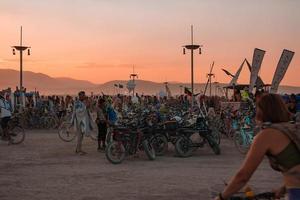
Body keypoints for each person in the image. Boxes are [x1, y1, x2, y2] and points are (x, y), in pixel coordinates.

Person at [215, 93, 300, 200]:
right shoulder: (292, 128)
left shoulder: (266, 135)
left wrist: (221, 197)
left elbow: (243, 176)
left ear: (262, 111)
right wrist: (283, 188)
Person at [71, 91, 92, 155]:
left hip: (82, 121)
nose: (84, 96)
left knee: (81, 136)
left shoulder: (83, 102)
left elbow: (88, 107)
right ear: (79, 96)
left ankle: (78, 149)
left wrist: (88, 101)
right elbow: (78, 112)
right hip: (79, 121)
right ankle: (78, 150)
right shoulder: (77, 103)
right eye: (82, 95)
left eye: (84, 95)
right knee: (80, 136)